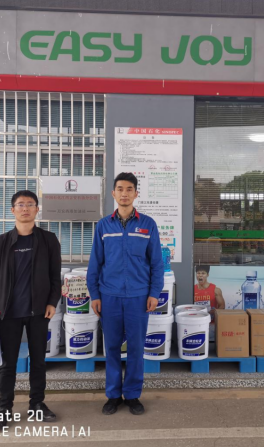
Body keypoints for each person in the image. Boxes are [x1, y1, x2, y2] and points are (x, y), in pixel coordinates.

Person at [87, 172, 164, 416]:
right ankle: (113, 395)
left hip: (138, 297)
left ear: (136, 193)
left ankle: (132, 395)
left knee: (136, 349)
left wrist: (154, 293)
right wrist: (95, 294)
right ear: (113, 193)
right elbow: (95, 263)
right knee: (111, 347)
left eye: (129, 189)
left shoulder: (148, 224)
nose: (124, 193)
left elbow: (157, 263)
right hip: (109, 297)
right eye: (120, 189)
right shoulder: (103, 225)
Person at [0, 190, 62, 428]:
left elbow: (55, 276)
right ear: (13, 210)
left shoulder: (48, 240)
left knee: (38, 361)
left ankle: (37, 404)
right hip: (8, 312)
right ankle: (4, 408)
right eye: (20, 204)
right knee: (7, 363)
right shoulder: (0, 243)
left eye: (30, 204)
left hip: (39, 312)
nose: (25, 208)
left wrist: (52, 302)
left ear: (37, 209)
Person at [194, 265, 226, 340]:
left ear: (207, 275)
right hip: (197, 322)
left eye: (203, 273)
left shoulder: (216, 290)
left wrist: (215, 311)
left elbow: (222, 306)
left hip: (211, 324)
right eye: (198, 273)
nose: (200, 275)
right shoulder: (192, 289)